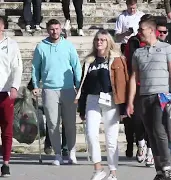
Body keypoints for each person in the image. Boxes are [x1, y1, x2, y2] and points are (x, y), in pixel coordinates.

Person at [126, 17, 171, 180]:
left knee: (159, 130)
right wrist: (130, 101)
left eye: (141, 30)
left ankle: (167, 167)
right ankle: (159, 170)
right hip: (144, 96)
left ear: (151, 30)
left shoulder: (166, 48)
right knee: (150, 133)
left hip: (161, 96)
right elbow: (133, 77)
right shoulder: (138, 52)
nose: (139, 33)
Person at [76, 29, 128, 180]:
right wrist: (81, 107)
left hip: (111, 99)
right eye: (97, 39)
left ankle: (113, 172)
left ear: (108, 42)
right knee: (91, 134)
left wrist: (123, 106)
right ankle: (98, 169)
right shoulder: (89, 61)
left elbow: (122, 83)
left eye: (103, 40)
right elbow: (83, 86)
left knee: (111, 139)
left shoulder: (117, 59)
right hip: (92, 99)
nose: (99, 42)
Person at [32, 19, 82, 166]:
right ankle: (58, 154)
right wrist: (35, 84)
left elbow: (76, 66)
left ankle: (72, 152)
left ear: (61, 29)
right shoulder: (41, 47)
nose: (55, 31)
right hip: (49, 89)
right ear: (48, 30)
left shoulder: (68, 46)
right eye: (52, 29)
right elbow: (35, 68)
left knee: (70, 123)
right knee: (53, 124)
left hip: (68, 89)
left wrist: (78, 85)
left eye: (57, 29)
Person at [123, 14, 155, 167]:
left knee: (151, 120)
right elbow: (128, 63)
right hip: (136, 84)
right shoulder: (133, 42)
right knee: (137, 119)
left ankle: (150, 151)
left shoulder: (158, 44)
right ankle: (140, 143)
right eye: (140, 29)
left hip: (152, 85)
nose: (142, 32)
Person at [0, 16, 23, 177]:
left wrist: (15, 86)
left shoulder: (11, 45)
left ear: (3, 27)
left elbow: (18, 67)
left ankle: (6, 163)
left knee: (7, 129)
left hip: (6, 92)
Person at [156, 21, 171, 163]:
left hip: (169, 92)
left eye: (164, 32)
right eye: (159, 32)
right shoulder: (150, 48)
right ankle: (159, 153)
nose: (162, 34)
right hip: (155, 90)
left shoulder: (170, 49)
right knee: (158, 124)